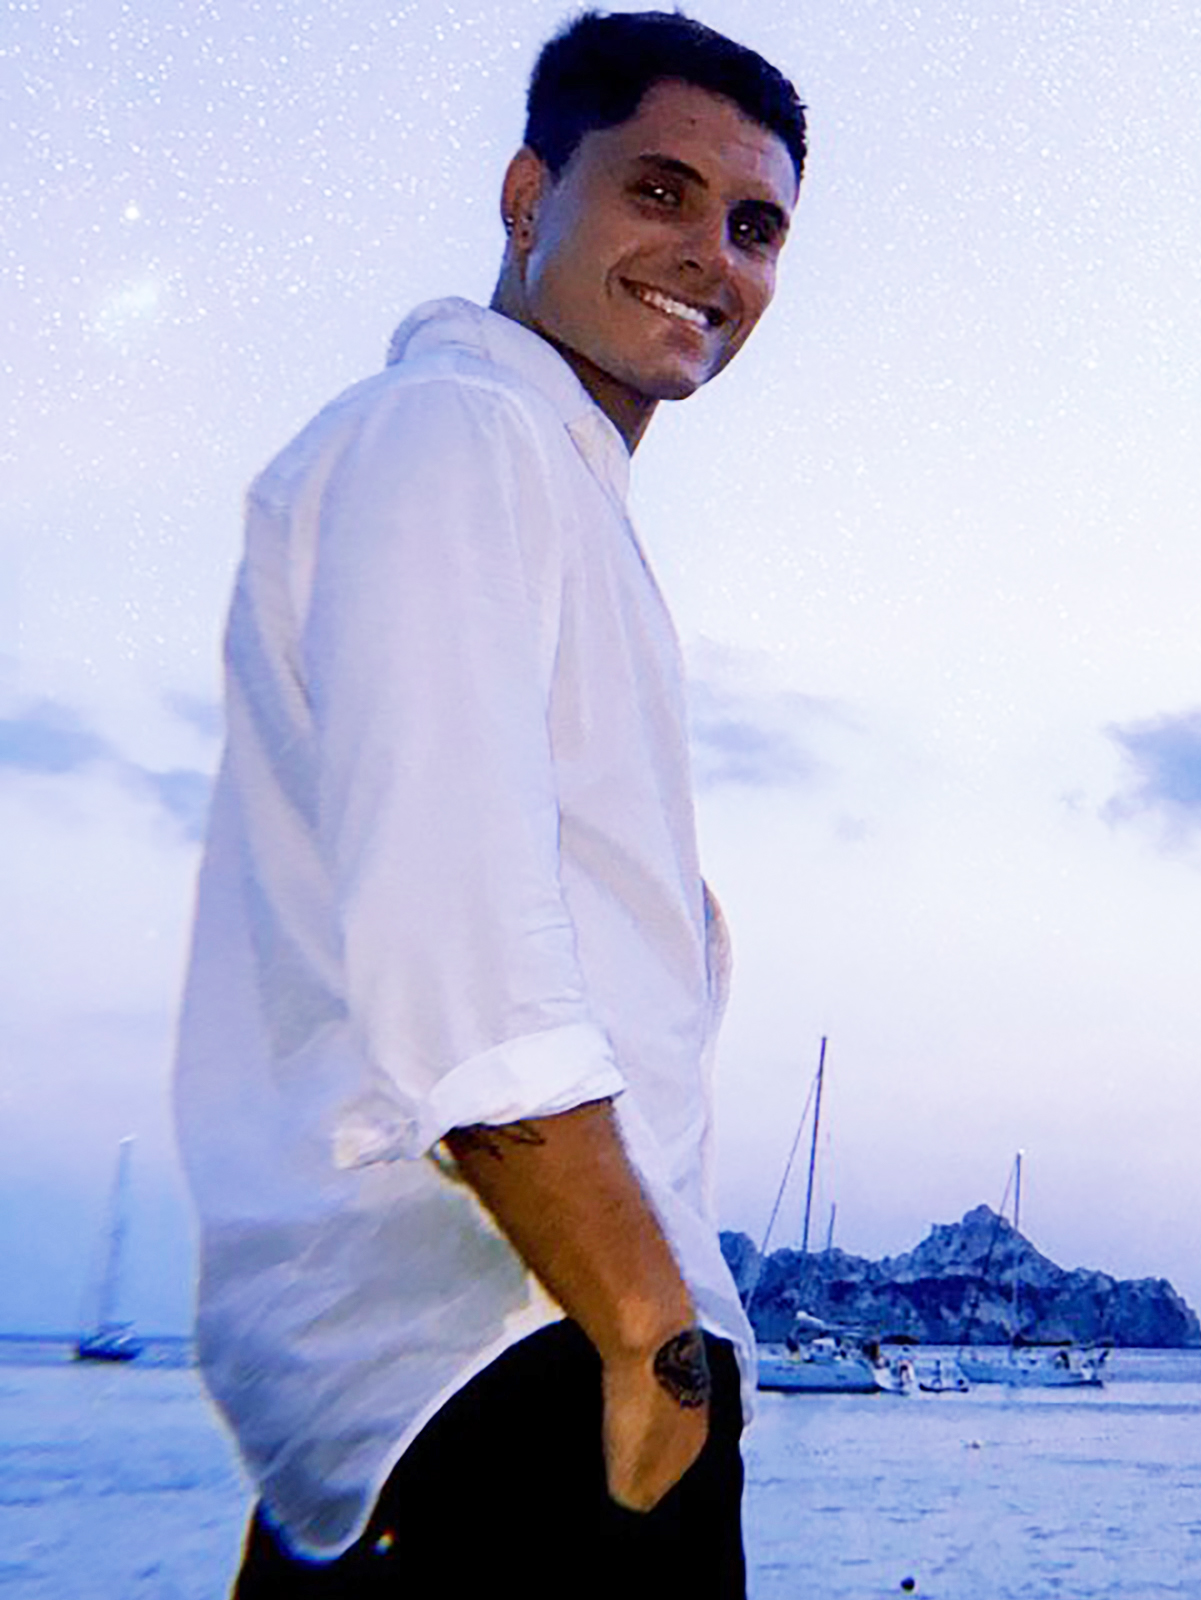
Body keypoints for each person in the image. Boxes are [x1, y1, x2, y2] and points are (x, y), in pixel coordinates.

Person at [170, 12, 806, 1595]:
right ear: (530, 194)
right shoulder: (457, 435)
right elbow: (460, 927)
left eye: (753, 227)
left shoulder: (542, 473)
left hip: (519, 1369)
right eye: (657, 192)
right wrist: (652, 1340)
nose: (707, 257)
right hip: (506, 1368)